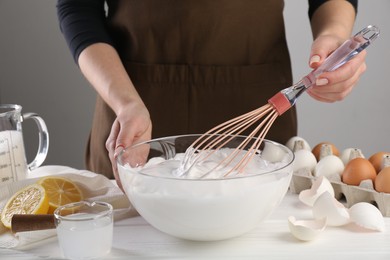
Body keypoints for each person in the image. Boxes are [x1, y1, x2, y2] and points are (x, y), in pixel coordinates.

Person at [57, 0, 364, 188]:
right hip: (132, 110)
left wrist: (334, 35)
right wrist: (125, 102)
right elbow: (78, 6)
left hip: (254, 113)